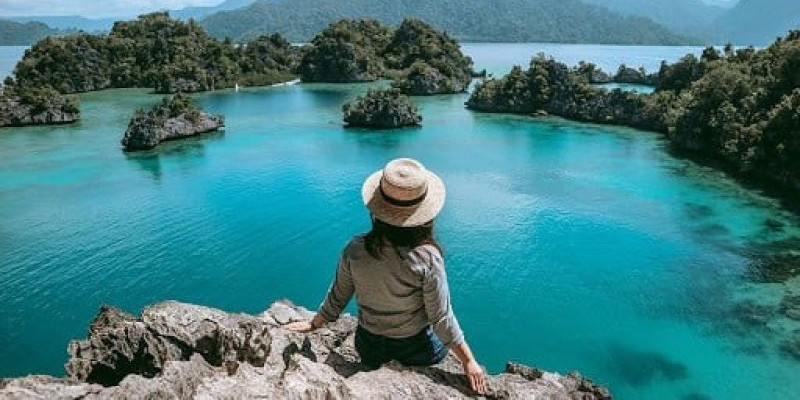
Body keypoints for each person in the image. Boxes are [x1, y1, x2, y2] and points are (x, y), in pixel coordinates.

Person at [286, 158, 487, 394]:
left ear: (378, 208)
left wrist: (314, 323)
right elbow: (440, 318)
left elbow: (337, 297)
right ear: (424, 213)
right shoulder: (427, 258)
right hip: (415, 351)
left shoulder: (355, 248)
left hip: (369, 346)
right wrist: (468, 361)